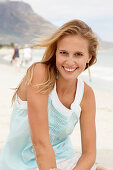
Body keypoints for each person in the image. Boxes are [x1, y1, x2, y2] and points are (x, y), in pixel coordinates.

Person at [0, 19, 107, 170]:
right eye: (63, 53)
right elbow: (40, 143)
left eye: (78, 54)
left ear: (89, 57)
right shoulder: (40, 74)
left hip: (64, 159)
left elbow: (89, 154)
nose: (70, 61)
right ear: (55, 52)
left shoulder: (87, 94)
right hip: (20, 164)